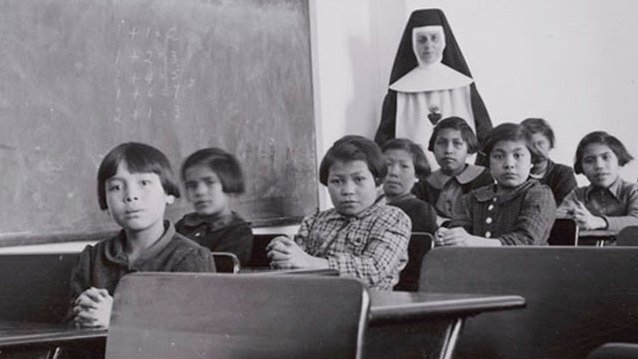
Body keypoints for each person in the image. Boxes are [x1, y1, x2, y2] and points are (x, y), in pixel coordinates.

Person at [69, 143, 214, 330]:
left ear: (168, 194)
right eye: (116, 187)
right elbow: (70, 324)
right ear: (104, 200)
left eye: (144, 183)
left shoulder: (190, 258)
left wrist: (117, 318)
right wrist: (83, 314)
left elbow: (194, 333)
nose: (131, 196)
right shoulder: (92, 257)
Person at [266, 135, 411, 290]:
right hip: (314, 302)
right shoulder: (314, 220)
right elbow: (295, 266)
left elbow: (373, 269)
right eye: (337, 181)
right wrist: (284, 253)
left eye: (359, 179)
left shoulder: (393, 218)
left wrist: (309, 262)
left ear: (377, 181)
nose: (348, 190)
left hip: (367, 307)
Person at [374, 9, 492, 154]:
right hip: (414, 171)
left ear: (443, 41)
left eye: (434, 38)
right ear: (413, 43)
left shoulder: (463, 84)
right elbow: (385, 136)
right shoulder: (400, 89)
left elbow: (484, 131)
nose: (428, 45)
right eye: (422, 39)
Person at [435, 123, 556, 246]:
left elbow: (526, 240)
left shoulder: (539, 195)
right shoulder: (473, 198)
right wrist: (448, 237)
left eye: (518, 155)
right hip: (476, 264)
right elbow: (459, 231)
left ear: (532, 161)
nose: (509, 164)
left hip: (527, 264)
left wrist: (471, 241)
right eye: (498, 156)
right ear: (489, 162)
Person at [176, 148, 253, 265]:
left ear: (229, 184)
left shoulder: (238, 232)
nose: (200, 191)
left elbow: (219, 272)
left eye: (210, 182)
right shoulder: (183, 225)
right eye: (192, 185)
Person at [413, 116, 493, 224]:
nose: (448, 150)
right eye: (441, 143)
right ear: (433, 147)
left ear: (468, 149)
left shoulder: (483, 177)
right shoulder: (425, 184)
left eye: (457, 144)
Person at [381, 138, 437, 292]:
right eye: (387, 165)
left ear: (417, 175)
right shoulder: (368, 207)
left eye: (404, 166)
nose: (393, 172)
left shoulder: (420, 210)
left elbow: (415, 268)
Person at [557, 131, 638, 232]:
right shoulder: (577, 195)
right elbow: (557, 221)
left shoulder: (633, 191)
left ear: (619, 161)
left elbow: (636, 221)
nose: (599, 166)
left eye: (606, 157)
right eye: (589, 160)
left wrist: (598, 222)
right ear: (581, 167)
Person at [520, 118, 577, 205]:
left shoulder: (563, 173)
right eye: (528, 147)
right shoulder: (517, 176)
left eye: (540, 143)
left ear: (550, 143)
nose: (536, 151)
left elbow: (567, 208)